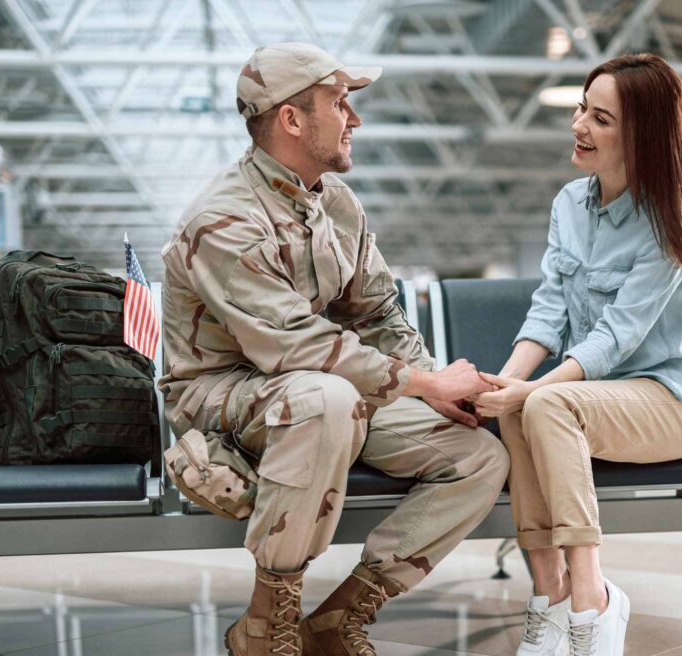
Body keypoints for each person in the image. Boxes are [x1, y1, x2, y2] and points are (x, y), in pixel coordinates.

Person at [158, 43, 508, 656]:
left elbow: (377, 314)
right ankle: (266, 629)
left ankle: (336, 618)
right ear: (292, 120)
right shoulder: (223, 220)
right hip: (221, 396)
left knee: (476, 455)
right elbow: (293, 343)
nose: (355, 119)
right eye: (340, 103)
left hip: (321, 393)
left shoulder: (337, 205)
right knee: (323, 397)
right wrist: (424, 384)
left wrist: (439, 392)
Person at [472, 54, 682, 656]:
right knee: (519, 407)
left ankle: (594, 602)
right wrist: (501, 386)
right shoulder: (568, 204)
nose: (580, 125)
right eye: (583, 108)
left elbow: (617, 338)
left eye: (601, 118)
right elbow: (549, 310)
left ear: (643, 137)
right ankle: (550, 594)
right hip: (593, 396)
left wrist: (537, 392)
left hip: (671, 399)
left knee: (547, 405)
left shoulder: (668, 221)